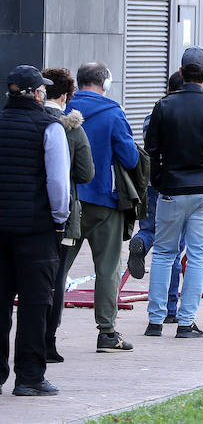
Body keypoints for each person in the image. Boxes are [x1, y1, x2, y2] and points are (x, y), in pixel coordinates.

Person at [143, 46, 203, 340]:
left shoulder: (164, 106)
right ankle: (186, 322)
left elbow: (152, 149)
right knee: (197, 256)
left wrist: (159, 181)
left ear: (181, 73)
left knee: (163, 252)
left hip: (172, 187)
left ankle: (155, 320)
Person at [0, 65, 70, 397]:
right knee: (34, 303)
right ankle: (28, 377)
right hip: (36, 229)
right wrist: (60, 218)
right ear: (37, 93)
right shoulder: (49, 127)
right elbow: (58, 183)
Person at [64, 62, 140, 352]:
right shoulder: (113, 112)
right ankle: (107, 332)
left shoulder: (65, 108)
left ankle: (46, 329)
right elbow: (130, 158)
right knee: (107, 268)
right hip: (105, 201)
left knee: (58, 268)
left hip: (68, 201)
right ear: (105, 84)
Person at [39, 68, 94, 364]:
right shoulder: (72, 128)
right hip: (61, 214)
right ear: (65, 95)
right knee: (56, 278)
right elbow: (86, 173)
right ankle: (49, 340)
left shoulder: (26, 121)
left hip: (24, 213)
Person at [131, 72, 186, 319]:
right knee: (173, 249)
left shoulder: (151, 117)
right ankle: (170, 308)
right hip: (180, 186)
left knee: (151, 229)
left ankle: (141, 241)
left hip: (154, 183)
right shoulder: (189, 117)